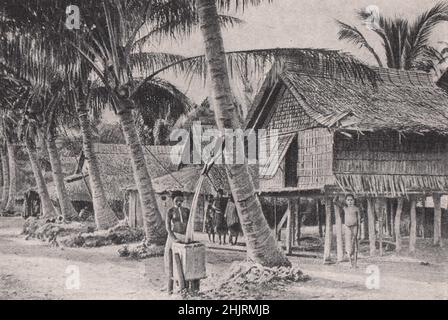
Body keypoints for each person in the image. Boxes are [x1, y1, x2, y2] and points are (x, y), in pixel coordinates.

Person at [164, 191, 190, 285]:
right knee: (172, 259)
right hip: (174, 237)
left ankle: (184, 281)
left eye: (180, 200)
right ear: (173, 200)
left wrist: (188, 237)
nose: (179, 202)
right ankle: (173, 282)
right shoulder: (170, 211)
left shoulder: (187, 210)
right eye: (176, 200)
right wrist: (174, 239)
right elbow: (168, 227)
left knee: (184, 259)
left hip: (184, 237)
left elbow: (190, 225)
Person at [343, 194, 361, 268]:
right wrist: (337, 193)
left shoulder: (356, 209)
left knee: (355, 243)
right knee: (348, 244)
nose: (350, 201)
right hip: (347, 227)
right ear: (346, 201)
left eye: (351, 200)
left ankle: (355, 263)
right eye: (348, 200)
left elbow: (359, 220)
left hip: (355, 227)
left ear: (354, 200)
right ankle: (350, 263)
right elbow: (335, 201)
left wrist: (359, 232)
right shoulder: (345, 208)